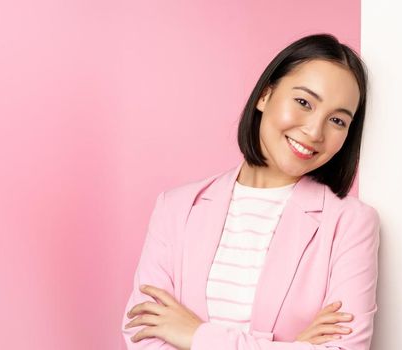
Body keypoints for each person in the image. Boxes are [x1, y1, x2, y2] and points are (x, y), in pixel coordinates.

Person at [121, 33, 380, 350]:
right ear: (265, 95)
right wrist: (292, 344)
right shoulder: (176, 208)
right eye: (303, 102)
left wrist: (195, 335)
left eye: (338, 120)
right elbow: (143, 336)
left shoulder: (350, 223)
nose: (315, 131)